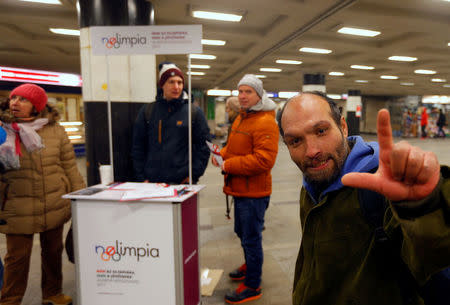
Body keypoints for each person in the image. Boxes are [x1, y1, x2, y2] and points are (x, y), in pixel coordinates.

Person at [278, 91, 449, 305]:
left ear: (343, 126)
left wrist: (423, 205)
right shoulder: (312, 185)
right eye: (295, 141)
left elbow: (434, 254)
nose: (311, 151)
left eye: (321, 131)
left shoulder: (382, 190)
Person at [0, 83, 85, 305]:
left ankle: (52, 293)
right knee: (16, 258)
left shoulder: (55, 129)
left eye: (23, 99)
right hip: (17, 204)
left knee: (52, 253)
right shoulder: (4, 129)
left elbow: (69, 166)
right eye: (13, 98)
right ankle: (10, 300)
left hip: (53, 201)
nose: (15, 102)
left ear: (37, 105)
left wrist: (79, 198)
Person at [212, 74, 279, 304]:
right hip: (240, 190)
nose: (242, 96)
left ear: (259, 95)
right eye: (240, 91)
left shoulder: (266, 122)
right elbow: (233, 147)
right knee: (242, 233)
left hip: (254, 194)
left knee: (251, 238)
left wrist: (229, 165)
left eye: (248, 91)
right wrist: (221, 156)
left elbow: (264, 160)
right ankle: (250, 265)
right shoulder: (242, 118)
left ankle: (252, 285)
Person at [131, 62, 211, 184]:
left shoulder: (193, 112)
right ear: (162, 84)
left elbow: (204, 147)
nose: (176, 87)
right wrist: (142, 177)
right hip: (152, 183)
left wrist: (193, 175)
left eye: (179, 82)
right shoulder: (148, 111)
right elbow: (138, 146)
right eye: (171, 82)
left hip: (183, 182)